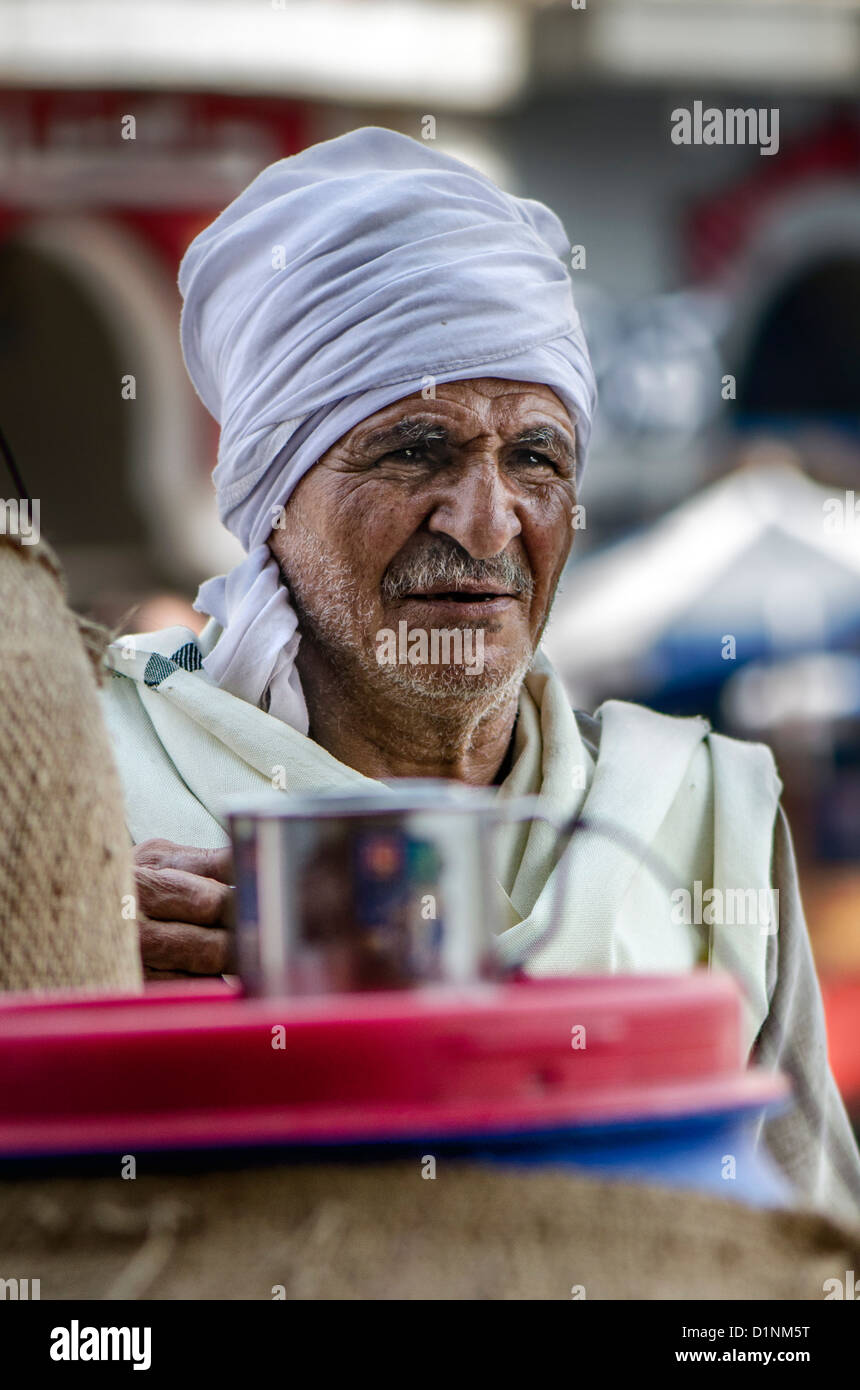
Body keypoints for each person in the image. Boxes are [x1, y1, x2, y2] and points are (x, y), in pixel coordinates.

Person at [100, 126, 860, 1223]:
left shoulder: (699, 813)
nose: (486, 521)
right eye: (415, 449)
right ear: (270, 491)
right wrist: (57, 958)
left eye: (535, 458)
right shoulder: (75, 781)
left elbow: (809, 1250)